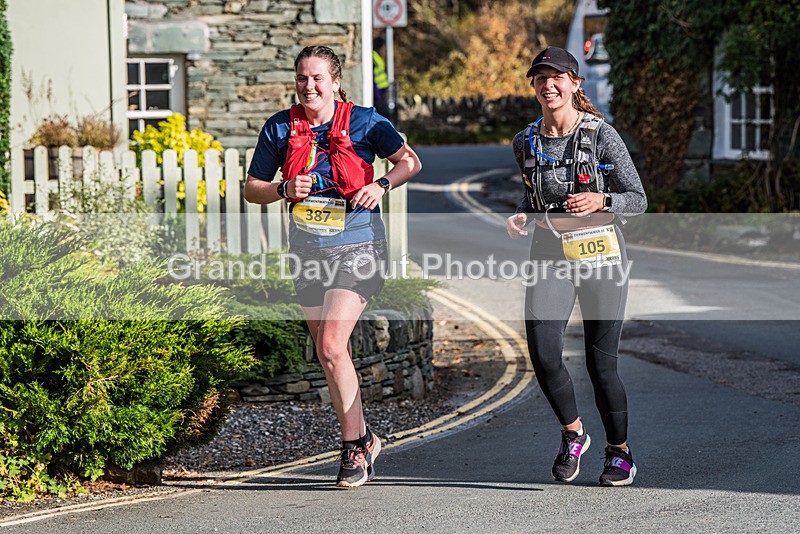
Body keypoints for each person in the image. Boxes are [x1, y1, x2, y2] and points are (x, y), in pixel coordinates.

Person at [243, 45, 422, 488]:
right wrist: (284, 188)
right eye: (302, 78)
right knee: (329, 353)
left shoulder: (365, 121)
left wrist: (381, 185)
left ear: (336, 81)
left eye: (318, 78)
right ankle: (364, 439)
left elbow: (410, 162)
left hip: (358, 247)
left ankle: (349, 450)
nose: (309, 86)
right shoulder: (280, 126)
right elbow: (252, 188)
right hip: (307, 253)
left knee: (330, 346)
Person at [505, 46, 647, 486]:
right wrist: (522, 216)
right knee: (544, 353)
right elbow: (533, 200)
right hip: (550, 254)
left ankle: (620, 453)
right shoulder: (524, 141)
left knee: (600, 363)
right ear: (533, 86)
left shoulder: (602, 136)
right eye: (540, 78)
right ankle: (573, 433)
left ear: (574, 84)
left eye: (557, 77)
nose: (549, 85)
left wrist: (602, 199)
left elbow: (638, 200)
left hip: (601, 255)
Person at [372, 36, 392, 120]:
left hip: (381, 91)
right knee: (383, 115)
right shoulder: (374, 57)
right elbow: (372, 77)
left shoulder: (377, 56)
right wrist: (377, 94)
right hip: (377, 93)